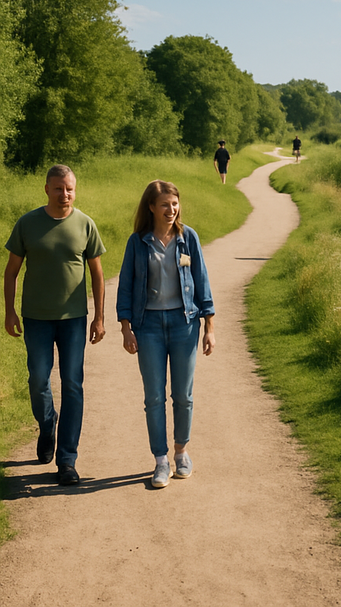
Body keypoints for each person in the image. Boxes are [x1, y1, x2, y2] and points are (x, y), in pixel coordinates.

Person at [3, 165, 106, 486]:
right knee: (38, 378)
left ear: (75, 190)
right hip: (36, 318)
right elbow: (11, 272)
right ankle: (47, 424)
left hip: (74, 320)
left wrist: (99, 317)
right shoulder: (28, 224)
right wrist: (9, 312)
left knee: (73, 385)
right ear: (46, 189)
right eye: (59, 188)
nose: (65, 194)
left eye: (70, 189)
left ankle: (67, 461)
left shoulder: (85, 225)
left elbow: (98, 274)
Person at [117, 180, 215, 489]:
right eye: (164, 205)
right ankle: (160, 460)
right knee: (154, 397)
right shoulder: (138, 242)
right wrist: (126, 328)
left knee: (183, 396)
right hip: (148, 328)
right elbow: (126, 285)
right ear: (151, 207)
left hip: (184, 324)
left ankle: (181, 452)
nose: (171, 210)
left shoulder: (189, 239)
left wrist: (209, 326)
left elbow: (201, 280)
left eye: (174, 204)